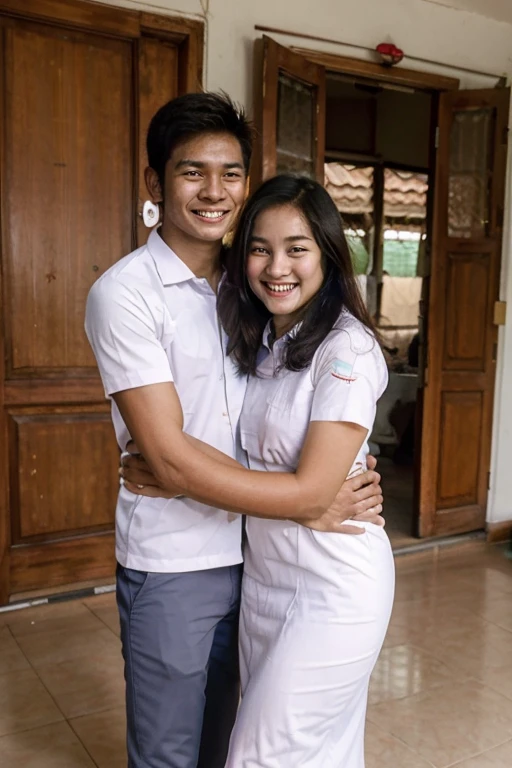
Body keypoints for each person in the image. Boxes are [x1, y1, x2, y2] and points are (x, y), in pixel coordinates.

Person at [85, 92, 385, 768]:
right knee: (167, 751)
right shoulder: (125, 294)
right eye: (192, 172)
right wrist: (311, 495)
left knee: (234, 742)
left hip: (262, 558)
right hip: (176, 562)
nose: (213, 191)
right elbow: (168, 455)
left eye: (230, 173)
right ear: (154, 183)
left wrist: (337, 477)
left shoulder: (254, 289)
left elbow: (306, 406)